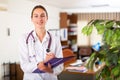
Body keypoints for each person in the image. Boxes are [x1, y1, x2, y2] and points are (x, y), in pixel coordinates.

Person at [18, 5, 63, 80]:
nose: (39, 19)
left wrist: (51, 70)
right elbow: (24, 65)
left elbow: (60, 66)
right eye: (36, 16)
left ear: (47, 18)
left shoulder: (55, 39)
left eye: (42, 16)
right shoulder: (24, 39)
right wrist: (39, 64)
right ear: (31, 19)